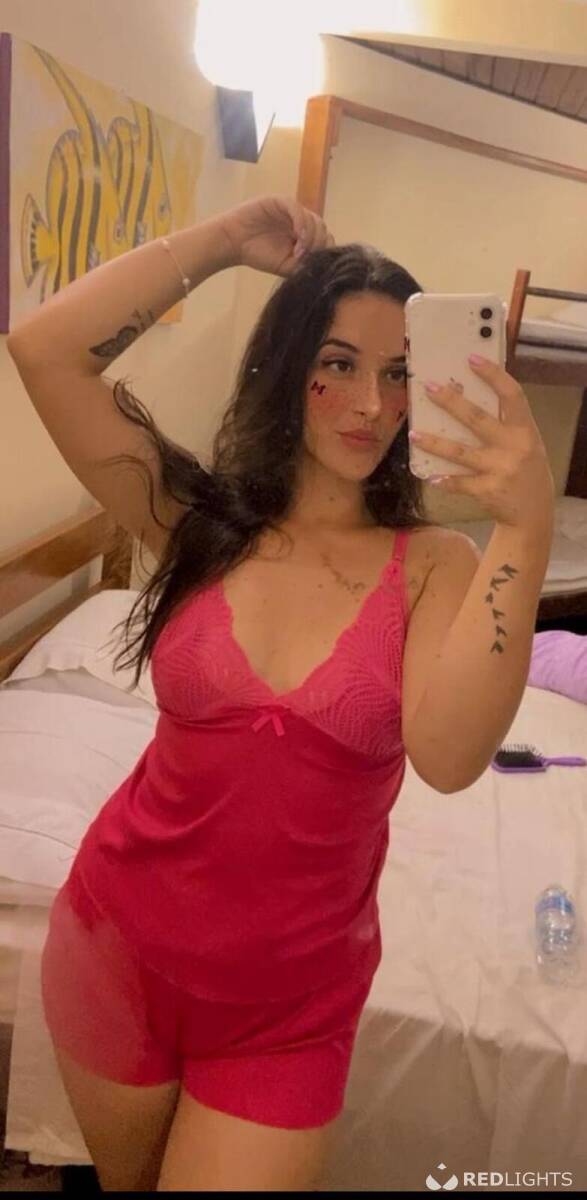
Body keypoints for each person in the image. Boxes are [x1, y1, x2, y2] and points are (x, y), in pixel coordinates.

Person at [7, 194, 554, 1192]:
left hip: (286, 1011)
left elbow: (446, 757)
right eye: (336, 363)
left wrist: (524, 526)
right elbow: (45, 351)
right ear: (286, 363)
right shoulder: (197, 524)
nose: (369, 403)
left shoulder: (432, 565)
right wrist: (221, 243)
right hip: (115, 946)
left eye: (399, 372)